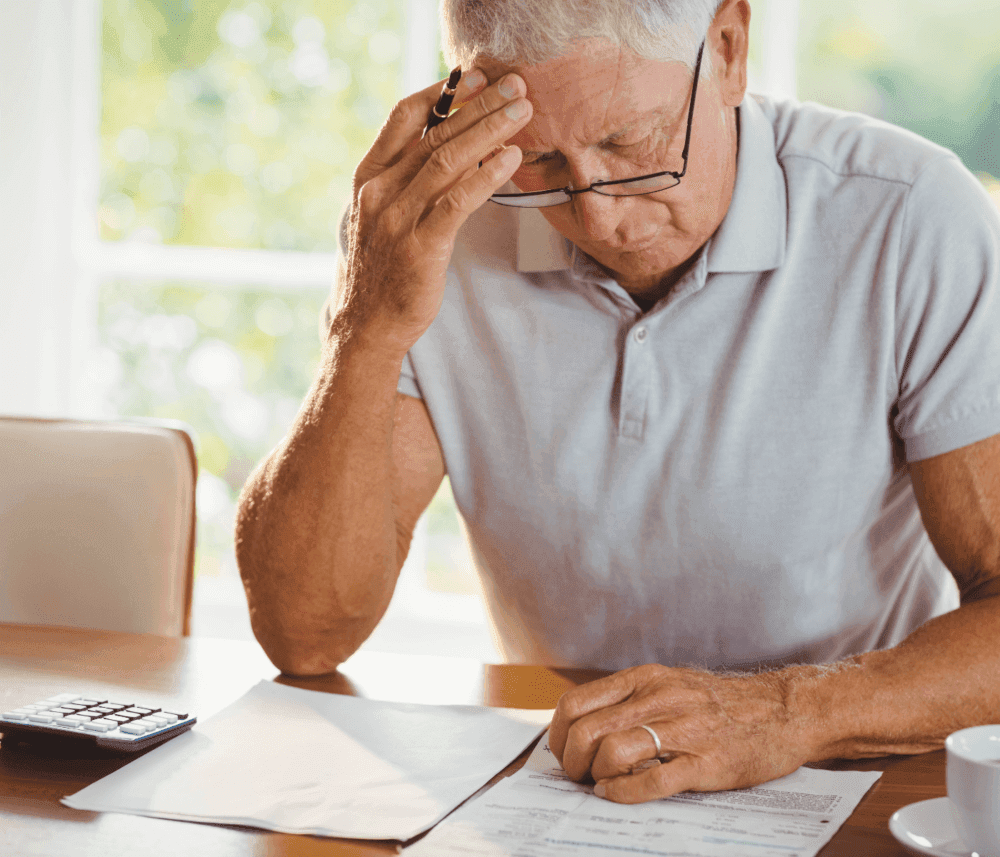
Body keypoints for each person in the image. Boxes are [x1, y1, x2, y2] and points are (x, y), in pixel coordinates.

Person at [236, 0, 1000, 804]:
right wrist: (365, 323)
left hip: (835, 777)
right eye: (541, 161)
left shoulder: (911, 216)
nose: (596, 214)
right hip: (563, 784)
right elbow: (305, 633)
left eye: (631, 145)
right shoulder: (440, 229)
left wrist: (784, 712)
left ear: (730, 49)